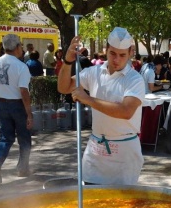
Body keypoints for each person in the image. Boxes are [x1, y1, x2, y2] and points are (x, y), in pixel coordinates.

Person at [58, 27, 145, 185]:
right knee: (92, 200)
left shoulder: (135, 79)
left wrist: (88, 99)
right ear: (106, 49)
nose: (116, 59)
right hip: (96, 151)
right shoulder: (94, 72)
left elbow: (126, 111)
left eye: (122, 55)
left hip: (124, 154)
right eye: (112, 53)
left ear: (131, 52)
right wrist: (67, 61)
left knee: (123, 204)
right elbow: (64, 87)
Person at [0, 34, 33, 184]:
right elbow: (24, 92)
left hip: (2, 103)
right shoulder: (21, 66)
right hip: (17, 104)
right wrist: (29, 113)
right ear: (17, 47)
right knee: (24, 137)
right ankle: (23, 168)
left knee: (5, 138)